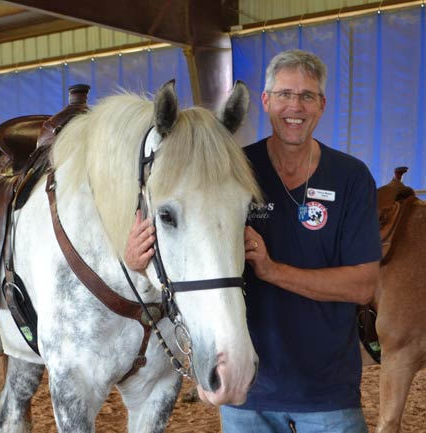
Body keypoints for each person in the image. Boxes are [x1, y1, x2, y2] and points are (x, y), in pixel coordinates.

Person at [124, 49, 381, 433]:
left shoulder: (351, 177)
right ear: (265, 102)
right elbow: (183, 242)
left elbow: (363, 286)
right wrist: (135, 261)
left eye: (307, 96)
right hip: (249, 393)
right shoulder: (229, 168)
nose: (295, 106)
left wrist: (273, 270)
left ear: (322, 105)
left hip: (328, 395)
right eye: (284, 94)